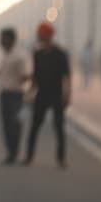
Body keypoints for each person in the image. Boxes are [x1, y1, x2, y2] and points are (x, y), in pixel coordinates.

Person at [22, 21, 71, 169]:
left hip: (56, 94)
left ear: (47, 35)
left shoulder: (60, 54)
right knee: (35, 126)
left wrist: (67, 95)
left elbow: (66, 77)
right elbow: (36, 77)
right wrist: (29, 92)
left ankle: (61, 158)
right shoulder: (37, 54)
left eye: (41, 34)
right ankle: (29, 156)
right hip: (41, 94)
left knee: (59, 127)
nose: (39, 36)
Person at [0, 27, 30, 165]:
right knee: (6, 124)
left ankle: (14, 151)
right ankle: (10, 151)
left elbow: (26, 75)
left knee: (15, 124)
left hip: (16, 94)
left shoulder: (20, 55)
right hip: (4, 93)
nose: (1, 41)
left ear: (11, 39)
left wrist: (23, 84)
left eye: (3, 38)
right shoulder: (4, 55)